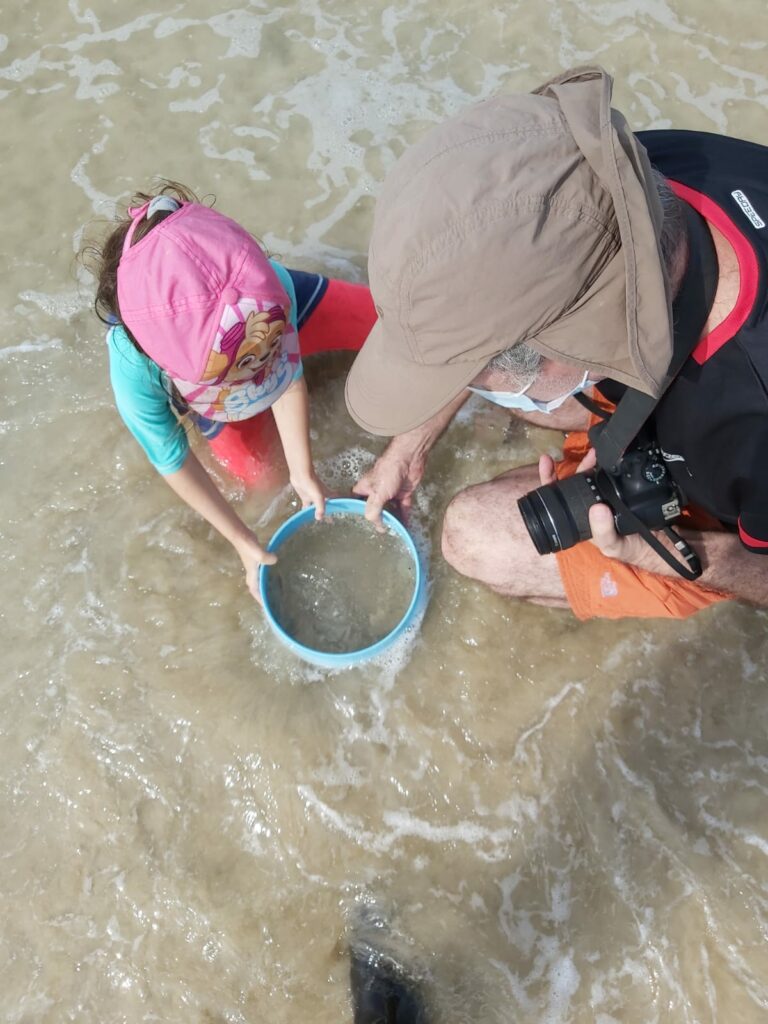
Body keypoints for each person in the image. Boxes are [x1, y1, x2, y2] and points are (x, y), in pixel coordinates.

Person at [345, 66, 768, 621]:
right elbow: (487, 289)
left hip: (723, 506)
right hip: (653, 385)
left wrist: (658, 552)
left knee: (472, 537)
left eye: (473, 374)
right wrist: (409, 448)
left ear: (573, 342)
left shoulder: (754, 421)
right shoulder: (603, 177)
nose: (466, 389)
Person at [85, 183, 375, 599]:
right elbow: (172, 459)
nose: (256, 376)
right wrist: (240, 539)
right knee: (262, 482)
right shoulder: (134, 370)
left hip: (267, 322)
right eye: (238, 378)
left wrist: (303, 471)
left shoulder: (264, 290)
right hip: (226, 356)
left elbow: (287, 377)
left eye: (262, 367)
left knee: (387, 323)